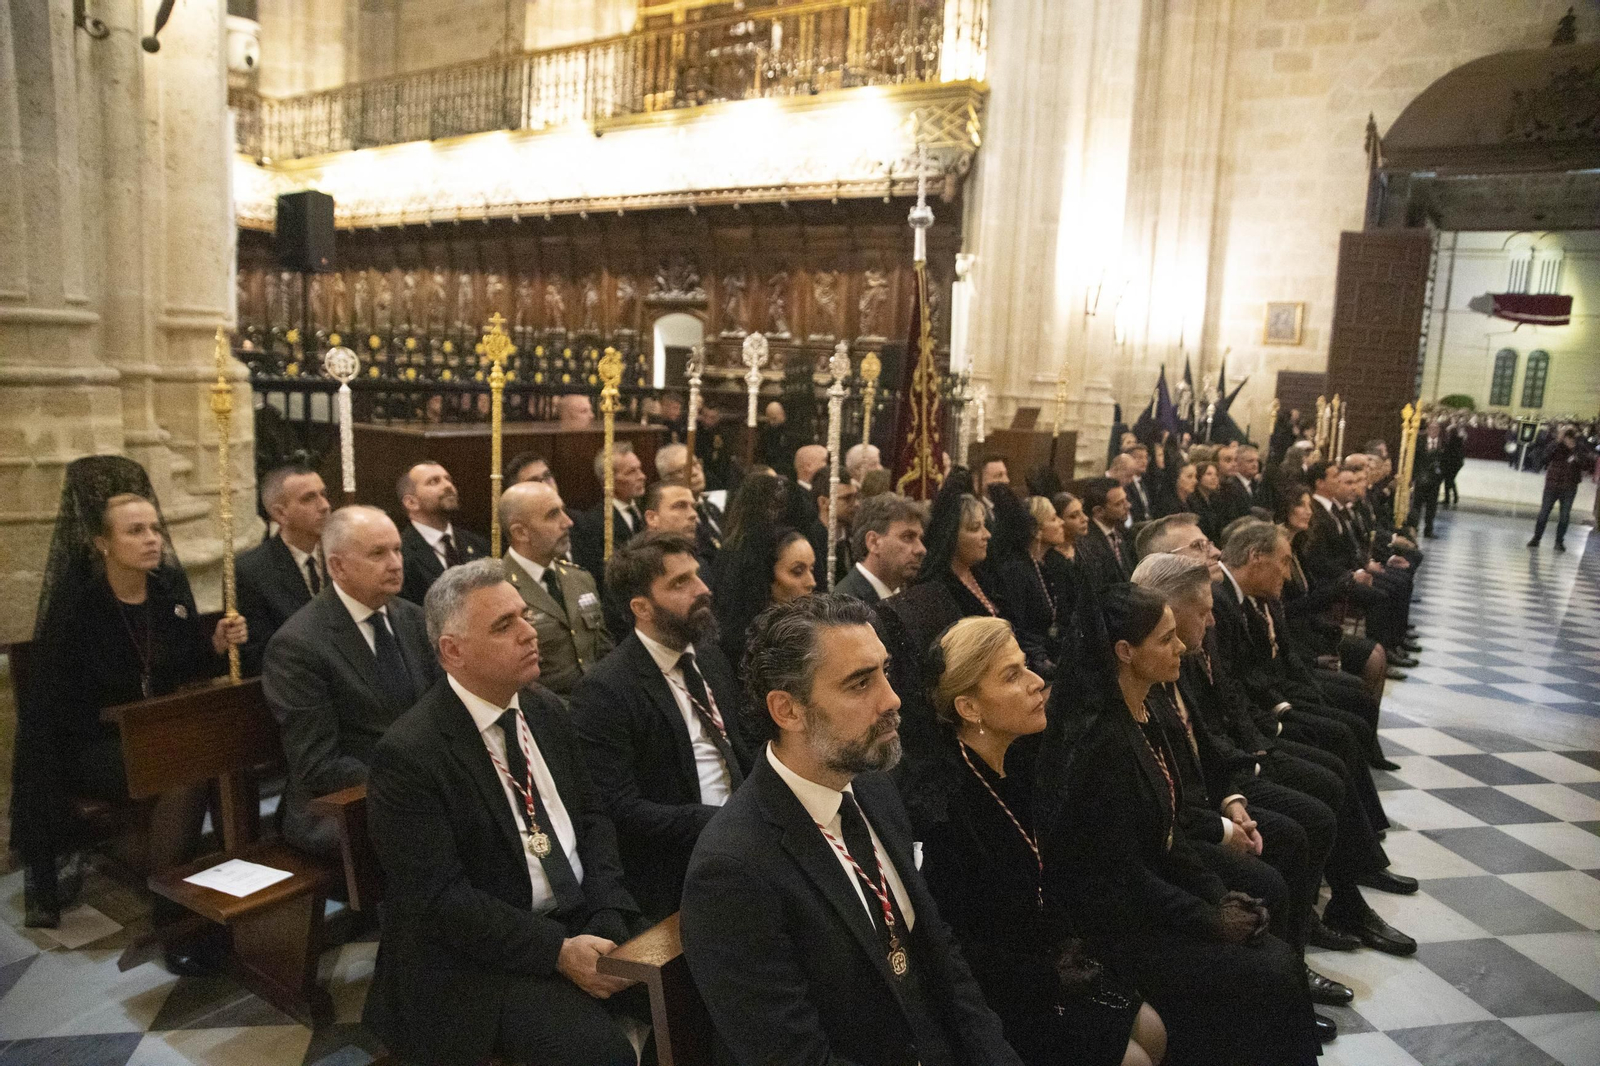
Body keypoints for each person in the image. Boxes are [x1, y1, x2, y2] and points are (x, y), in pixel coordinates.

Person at [680, 595, 1024, 1066]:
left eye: (885, 671)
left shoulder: (873, 786)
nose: (892, 699)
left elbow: (941, 958)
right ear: (787, 710)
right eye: (861, 683)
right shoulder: (732, 869)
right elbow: (794, 1058)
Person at [363, 561, 642, 1066]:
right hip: (480, 954)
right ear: (453, 651)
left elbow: (593, 818)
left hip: (577, 912)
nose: (528, 633)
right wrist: (558, 951)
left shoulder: (545, 709)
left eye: (524, 616)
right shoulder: (409, 754)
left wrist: (606, 912)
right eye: (503, 625)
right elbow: (441, 900)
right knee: (603, 1057)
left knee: (704, 985)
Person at [1039, 585, 1320, 1066]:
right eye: (1166, 639)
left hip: (1148, 896)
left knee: (1276, 955)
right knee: (1269, 968)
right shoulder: (1101, 743)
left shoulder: (1146, 710)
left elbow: (1168, 833)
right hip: (1115, 925)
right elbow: (1121, 872)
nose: (1183, 647)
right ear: (1125, 651)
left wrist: (1218, 895)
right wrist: (1209, 919)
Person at [902, 617, 1166, 1066]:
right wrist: (1046, 974)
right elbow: (960, 950)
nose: (1037, 681)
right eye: (1012, 675)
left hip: (1045, 954)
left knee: (1153, 1029)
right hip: (998, 995)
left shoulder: (1019, 759)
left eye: (1025, 665)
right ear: (969, 708)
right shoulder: (944, 810)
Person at [11, 457, 247, 948]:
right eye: (135, 531)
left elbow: (184, 666)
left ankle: (228, 883)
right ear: (103, 543)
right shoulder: (80, 609)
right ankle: (172, 910)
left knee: (219, 752)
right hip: (95, 746)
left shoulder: (166, 597)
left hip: (153, 735)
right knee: (187, 771)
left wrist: (215, 645)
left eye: (154, 529)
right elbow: (59, 710)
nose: (151, 540)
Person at [571, 533, 753, 920]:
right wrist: (717, 820)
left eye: (697, 575)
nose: (703, 589)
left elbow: (742, 747)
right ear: (642, 607)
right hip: (675, 867)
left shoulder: (709, 657)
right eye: (680, 583)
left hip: (744, 838)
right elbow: (619, 808)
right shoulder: (606, 689)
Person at [264, 505, 438, 858]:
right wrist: (415, 783)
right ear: (338, 566)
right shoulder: (299, 645)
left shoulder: (414, 619)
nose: (395, 563)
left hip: (416, 788)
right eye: (378, 553)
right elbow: (318, 764)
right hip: (342, 803)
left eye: (397, 550)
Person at [500, 482, 614, 697]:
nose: (568, 522)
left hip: (598, 699)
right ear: (521, 532)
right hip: (541, 708)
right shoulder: (498, 588)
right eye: (553, 515)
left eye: (563, 510)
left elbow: (603, 649)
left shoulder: (579, 578)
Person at [236, 464, 331, 675]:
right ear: (280, 513)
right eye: (309, 498)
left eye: (323, 494)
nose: (324, 506)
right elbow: (258, 654)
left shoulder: (343, 555)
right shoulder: (251, 571)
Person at [713, 526, 817, 667]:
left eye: (812, 569)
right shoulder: (745, 647)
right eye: (797, 571)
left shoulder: (813, 629)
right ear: (767, 576)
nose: (811, 582)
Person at [396, 461, 490, 604]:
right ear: (411, 502)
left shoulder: (479, 545)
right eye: (434, 481)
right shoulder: (401, 554)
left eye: (448, 479)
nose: (448, 485)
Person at [572, 443, 648, 585]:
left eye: (640, 469)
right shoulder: (594, 522)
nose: (642, 476)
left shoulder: (648, 509)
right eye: (631, 472)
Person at [836, 492, 926, 603]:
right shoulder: (846, 603)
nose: (921, 549)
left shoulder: (904, 595)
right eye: (907, 537)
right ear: (873, 542)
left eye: (920, 539)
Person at [1528, 424, 1589, 552]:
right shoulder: (1555, 445)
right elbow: (1545, 457)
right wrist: (1557, 441)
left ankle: (1559, 542)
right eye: (1566, 433)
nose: (1569, 437)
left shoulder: (1579, 447)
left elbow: (1586, 464)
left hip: (1569, 486)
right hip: (1552, 484)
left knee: (1565, 515)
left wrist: (1574, 449)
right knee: (1544, 512)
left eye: (1571, 434)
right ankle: (1536, 538)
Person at [1074, 477, 1135, 591]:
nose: (1128, 505)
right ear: (1098, 511)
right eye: (1119, 504)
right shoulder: (1086, 545)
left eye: (1125, 500)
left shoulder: (1121, 531)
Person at [804, 471, 859, 588]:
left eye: (856, 496)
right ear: (823, 502)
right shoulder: (811, 542)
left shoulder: (856, 536)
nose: (856, 504)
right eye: (847, 498)